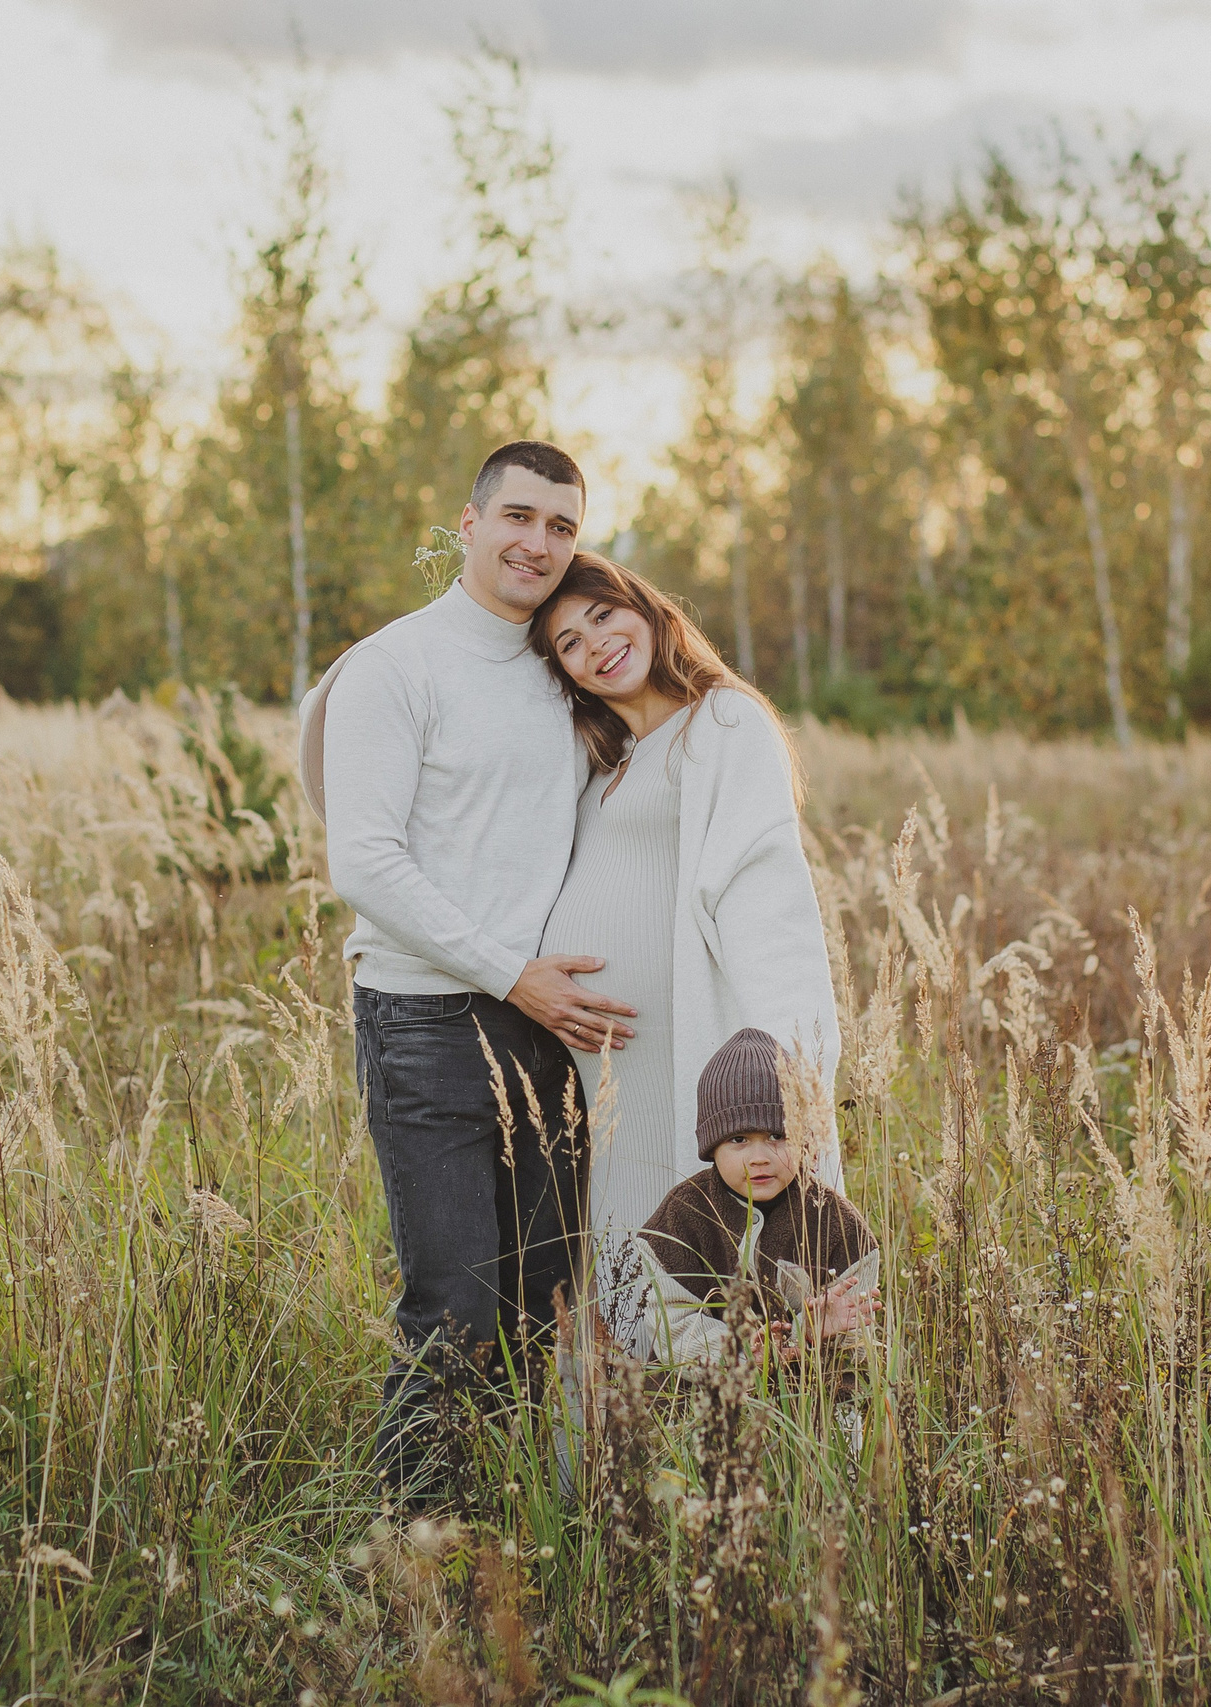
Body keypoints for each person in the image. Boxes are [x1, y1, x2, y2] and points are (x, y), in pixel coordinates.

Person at [298, 440, 638, 1505]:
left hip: (548, 1028)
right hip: (426, 1023)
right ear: (469, 522)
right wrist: (510, 974)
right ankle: (417, 1555)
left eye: (562, 526)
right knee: (452, 1304)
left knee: (542, 1295)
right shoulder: (394, 667)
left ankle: (501, 1532)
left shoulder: (559, 667)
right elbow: (364, 859)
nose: (538, 543)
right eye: (519, 517)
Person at [527, 551, 841, 1356]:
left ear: (649, 609)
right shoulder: (603, 764)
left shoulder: (721, 723)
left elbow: (768, 903)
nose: (595, 644)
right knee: (632, 1290)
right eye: (568, 642)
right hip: (611, 1082)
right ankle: (630, 1472)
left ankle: (733, 1469)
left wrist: (786, 1081)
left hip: (687, 1067)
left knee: (707, 1285)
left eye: (604, 615)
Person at [633, 1028, 879, 1382]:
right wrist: (745, 1351)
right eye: (739, 1139)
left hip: (806, 1411)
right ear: (711, 1147)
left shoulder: (838, 1225)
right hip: (701, 1412)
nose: (759, 1158)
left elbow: (855, 1348)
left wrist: (806, 1334)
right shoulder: (681, 1217)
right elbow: (673, 1327)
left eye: (778, 1137)